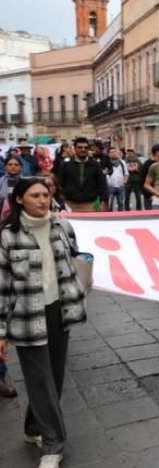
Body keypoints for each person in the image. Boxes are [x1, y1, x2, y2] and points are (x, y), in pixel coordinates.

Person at [0, 178, 87, 468]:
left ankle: (32, 427)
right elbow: (2, 286)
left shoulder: (62, 226)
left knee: (56, 378)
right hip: (26, 316)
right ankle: (53, 444)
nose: (42, 200)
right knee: (40, 380)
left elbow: (76, 256)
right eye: (35, 195)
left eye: (45, 195)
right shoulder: (8, 236)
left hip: (58, 311)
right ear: (20, 199)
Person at [56, 137, 108, 213]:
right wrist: (62, 198)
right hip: (70, 204)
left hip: (90, 204)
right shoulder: (65, 164)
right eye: (80, 147)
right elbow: (59, 182)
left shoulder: (95, 164)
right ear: (75, 148)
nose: (83, 149)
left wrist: (103, 202)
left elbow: (102, 184)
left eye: (85, 147)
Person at [141, 144, 159, 211]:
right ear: (157, 152)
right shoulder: (147, 164)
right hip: (150, 196)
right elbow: (142, 180)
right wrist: (148, 195)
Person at [106, 147, 128, 212]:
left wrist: (124, 181)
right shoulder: (105, 163)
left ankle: (120, 219)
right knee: (109, 205)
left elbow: (126, 173)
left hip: (120, 187)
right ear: (108, 154)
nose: (113, 153)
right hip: (110, 187)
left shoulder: (122, 162)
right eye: (111, 152)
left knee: (121, 205)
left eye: (114, 152)